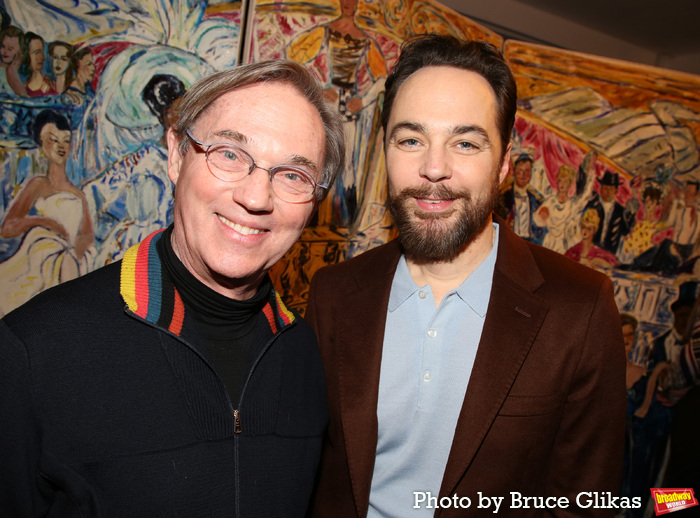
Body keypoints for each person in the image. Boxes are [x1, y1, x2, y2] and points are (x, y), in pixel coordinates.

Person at [0, 59, 345, 516]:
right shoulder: (34, 351)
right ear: (177, 155)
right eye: (229, 154)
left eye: (293, 176)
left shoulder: (305, 353)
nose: (257, 197)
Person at [306, 34, 626, 517]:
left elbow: (588, 499)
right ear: (384, 150)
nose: (434, 169)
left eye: (466, 142)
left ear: (502, 163)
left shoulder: (579, 308)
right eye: (411, 140)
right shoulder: (333, 294)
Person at [0, 109, 95, 316]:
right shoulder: (38, 185)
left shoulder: (78, 194)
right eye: (53, 140)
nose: (61, 147)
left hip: (68, 254)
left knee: (71, 267)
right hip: (41, 249)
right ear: (42, 145)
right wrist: (44, 222)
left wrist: (76, 250)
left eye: (66, 140)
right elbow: (7, 227)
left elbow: (87, 234)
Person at [496, 152, 544, 243]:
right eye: (520, 170)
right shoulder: (504, 196)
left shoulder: (536, 199)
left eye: (527, 171)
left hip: (529, 243)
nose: (523, 175)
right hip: (509, 242)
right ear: (514, 171)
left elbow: (539, 229)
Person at [584, 170, 634, 254]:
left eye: (611, 189)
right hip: (590, 249)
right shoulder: (593, 204)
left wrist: (631, 215)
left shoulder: (620, 210)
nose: (608, 192)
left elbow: (626, 231)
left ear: (616, 191)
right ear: (601, 188)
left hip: (609, 253)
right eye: (606, 188)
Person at [21, 32, 56, 96]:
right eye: (36, 52)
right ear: (26, 55)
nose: (42, 57)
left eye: (42, 52)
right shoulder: (22, 87)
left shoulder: (51, 87)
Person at [0, 25, 27, 96]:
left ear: (20, 52)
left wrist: (13, 71)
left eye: (10, 49)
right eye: (3, 47)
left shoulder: (21, 73)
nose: (5, 52)